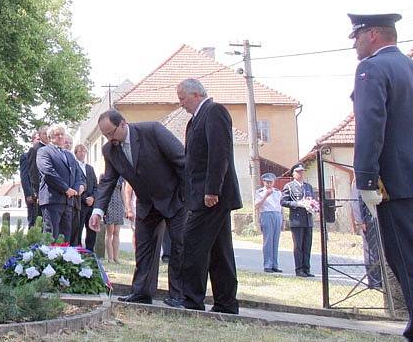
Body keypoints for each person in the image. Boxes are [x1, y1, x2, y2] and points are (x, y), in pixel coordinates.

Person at [348, 12, 413, 342]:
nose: (355, 42)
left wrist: (365, 178)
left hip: (394, 185)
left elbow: (370, 125)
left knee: (409, 267)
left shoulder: (372, 71)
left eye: (358, 35)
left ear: (374, 35)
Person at [90, 109, 187, 306]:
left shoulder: (152, 130)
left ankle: (178, 295)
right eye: (105, 135)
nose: (109, 138)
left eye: (111, 132)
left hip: (174, 198)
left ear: (123, 123)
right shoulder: (109, 150)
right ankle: (141, 292)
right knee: (143, 248)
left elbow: (183, 161)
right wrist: (98, 211)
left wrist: (189, 195)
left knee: (179, 247)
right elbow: (108, 181)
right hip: (146, 203)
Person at [176, 78, 241, 314]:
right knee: (219, 251)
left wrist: (212, 189)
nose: (181, 104)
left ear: (195, 94)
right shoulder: (195, 120)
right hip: (202, 194)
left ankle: (191, 300)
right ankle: (226, 303)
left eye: (182, 98)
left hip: (212, 196)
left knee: (192, 243)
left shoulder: (214, 111)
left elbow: (219, 152)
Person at [36, 124, 82, 240]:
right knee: (52, 236)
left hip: (68, 202)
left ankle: (63, 258)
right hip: (52, 200)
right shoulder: (44, 151)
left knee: (65, 238)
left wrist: (75, 190)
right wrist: (66, 189)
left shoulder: (69, 155)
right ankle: (50, 259)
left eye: (63, 134)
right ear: (50, 137)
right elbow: (48, 172)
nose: (61, 137)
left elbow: (77, 174)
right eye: (57, 134)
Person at [281, 164, 316, 277]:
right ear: (294, 174)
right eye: (299, 172)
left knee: (307, 245)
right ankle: (299, 269)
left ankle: (307, 268)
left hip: (308, 219)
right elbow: (283, 202)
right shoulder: (289, 186)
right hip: (297, 220)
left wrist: (314, 207)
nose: (301, 174)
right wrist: (297, 204)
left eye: (302, 172)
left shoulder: (308, 187)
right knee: (298, 246)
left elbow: (313, 200)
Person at [349, 180, 382, 289]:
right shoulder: (358, 180)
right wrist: (360, 221)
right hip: (368, 219)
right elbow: (355, 201)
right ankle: (374, 281)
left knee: (380, 251)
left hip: (379, 218)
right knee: (371, 251)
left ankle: (381, 279)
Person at [254, 173, 283, 273]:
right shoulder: (260, 192)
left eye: (271, 182)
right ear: (264, 182)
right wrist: (265, 196)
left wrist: (282, 218)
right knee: (268, 240)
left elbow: (280, 206)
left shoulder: (278, 192)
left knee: (275, 240)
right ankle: (267, 264)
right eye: (267, 182)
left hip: (277, 215)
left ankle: (275, 264)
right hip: (266, 214)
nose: (269, 184)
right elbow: (256, 205)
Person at [74, 144, 98, 251]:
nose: (82, 153)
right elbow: (75, 184)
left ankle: (90, 251)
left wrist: (92, 197)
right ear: (76, 153)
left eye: (84, 151)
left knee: (91, 229)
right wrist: (85, 199)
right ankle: (78, 250)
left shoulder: (90, 168)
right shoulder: (74, 166)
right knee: (78, 229)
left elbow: (95, 186)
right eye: (80, 151)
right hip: (80, 203)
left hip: (91, 205)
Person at [64, 134, 86, 245]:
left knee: (74, 234)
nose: (68, 145)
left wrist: (81, 186)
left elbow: (80, 178)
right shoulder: (55, 156)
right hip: (62, 201)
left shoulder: (73, 159)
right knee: (63, 235)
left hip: (75, 203)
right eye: (66, 142)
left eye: (70, 143)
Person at [25, 126, 49, 229]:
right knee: (39, 223)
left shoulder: (52, 148)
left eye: (48, 133)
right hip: (40, 192)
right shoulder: (35, 149)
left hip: (51, 193)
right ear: (39, 135)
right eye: (44, 134)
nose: (47, 136)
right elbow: (33, 172)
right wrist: (37, 192)